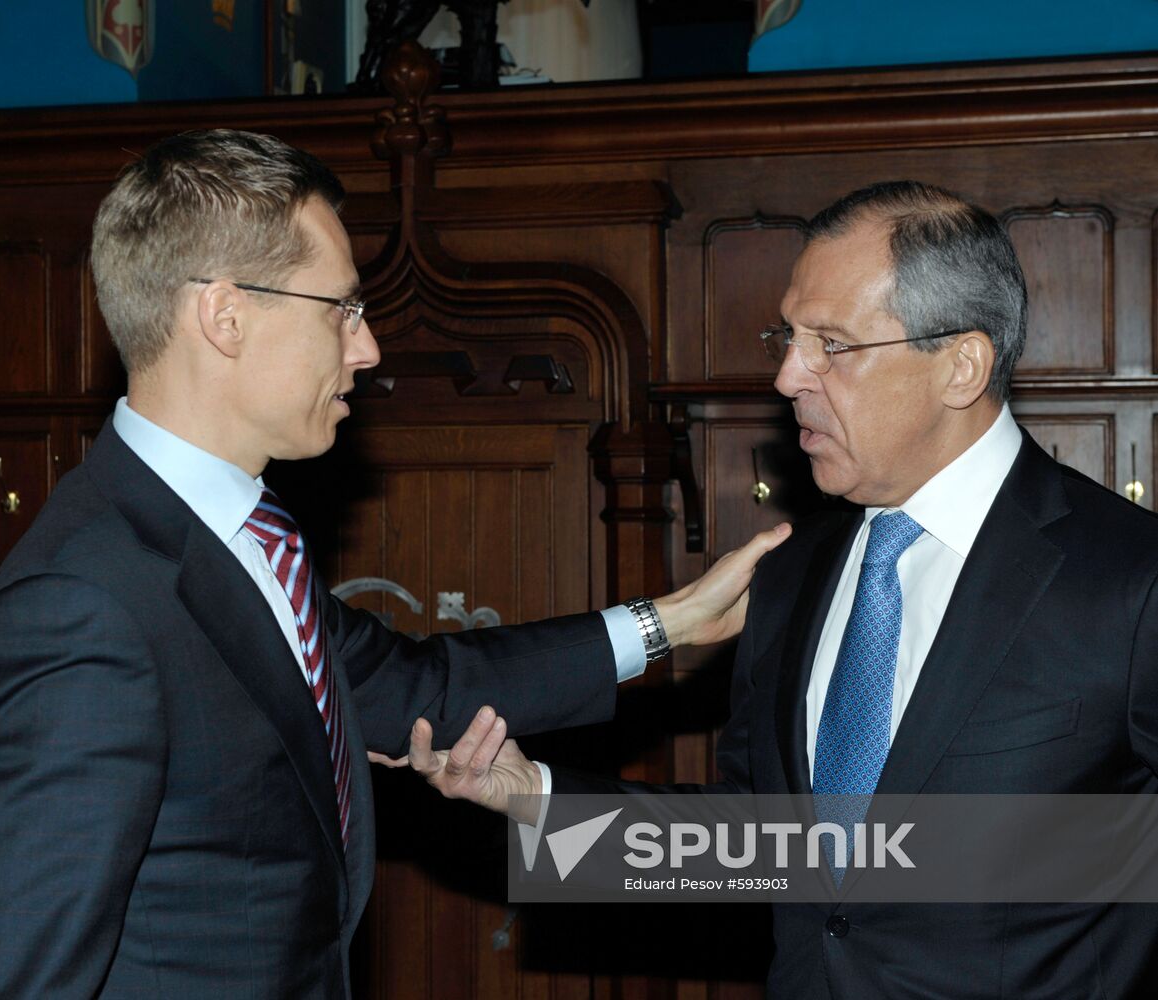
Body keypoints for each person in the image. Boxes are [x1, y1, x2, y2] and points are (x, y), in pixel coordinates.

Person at [0, 129, 789, 999]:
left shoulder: (243, 535)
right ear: (224, 318)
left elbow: (416, 690)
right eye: (339, 309)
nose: (368, 347)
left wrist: (670, 623)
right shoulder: (82, 607)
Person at [405, 180, 1158, 998]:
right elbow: (763, 846)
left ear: (960, 365)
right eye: (786, 336)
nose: (786, 376)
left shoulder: (1127, 580)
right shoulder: (793, 572)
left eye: (829, 343)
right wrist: (534, 799)